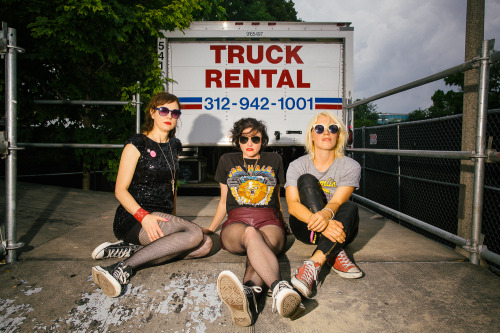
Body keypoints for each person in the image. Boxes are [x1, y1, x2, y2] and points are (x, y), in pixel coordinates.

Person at [91, 92, 212, 297]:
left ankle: (131, 250)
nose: (169, 116)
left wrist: (177, 221)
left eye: (175, 112)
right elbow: (120, 190)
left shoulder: (175, 145)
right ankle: (121, 268)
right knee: (194, 235)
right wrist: (143, 216)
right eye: (163, 110)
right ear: (152, 113)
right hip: (134, 218)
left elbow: (172, 187)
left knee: (205, 246)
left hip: (162, 217)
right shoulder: (137, 143)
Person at [205, 118, 301, 327]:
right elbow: (223, 201)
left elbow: (276, 199)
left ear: (262, 140)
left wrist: (283, 222)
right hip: (237, 224)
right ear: (237, 140)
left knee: (258, 247)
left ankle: (248, 298)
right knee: (250, 234)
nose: (249, 143)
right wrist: (212, 228)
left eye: (255, 138)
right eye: (244, 138)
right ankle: (279, 287)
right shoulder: (227, 160)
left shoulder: (274, 159)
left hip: (268, 220)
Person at [285, 111, 362, 299]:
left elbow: (337, 202)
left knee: (350, 207)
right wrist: (323, 224)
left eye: (332, 128)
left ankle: (313, 264)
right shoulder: (297, 165)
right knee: (306, 179)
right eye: (319, 128)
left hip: (339, 225)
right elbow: (293, 205)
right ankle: (335, 252)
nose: (326, 132)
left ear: (339, 135)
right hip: (306, 228)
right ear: (312, 135)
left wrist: (326, 216)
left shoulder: (351, 166)